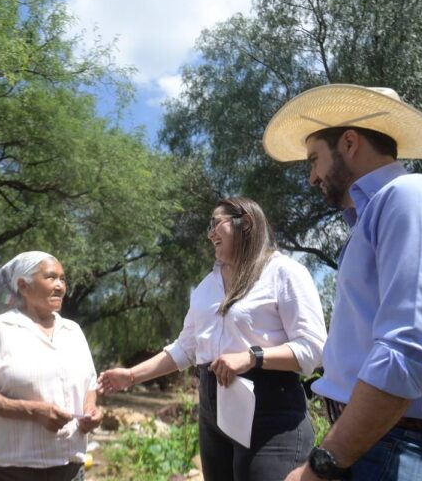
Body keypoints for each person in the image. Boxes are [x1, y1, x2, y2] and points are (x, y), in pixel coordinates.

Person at [262, 84, 422, 481]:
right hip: (384, 443)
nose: (312, 177)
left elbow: (406, 351)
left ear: (349, 143)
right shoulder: (378, 216)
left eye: (314, 159)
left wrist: (322, 464)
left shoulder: (411, 198)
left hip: (406, 450)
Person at [98, 197, 327, 481]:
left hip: (271, 415)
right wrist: (131, 376)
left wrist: (251, 357)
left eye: (216, 223)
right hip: (214, 415)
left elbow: (313, 349)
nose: (210, 234)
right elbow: (186, 348)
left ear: (247, 223)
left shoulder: (284, 273)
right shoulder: (206, 287)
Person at [0, 251, 103, 481]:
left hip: (69, 469)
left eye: (63, 279)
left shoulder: (73, 332)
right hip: (10, 470)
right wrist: (33, 411)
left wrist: (91, 410)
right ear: (23, 285)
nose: (60, 286)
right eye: (51, 278)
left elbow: (89, 382)